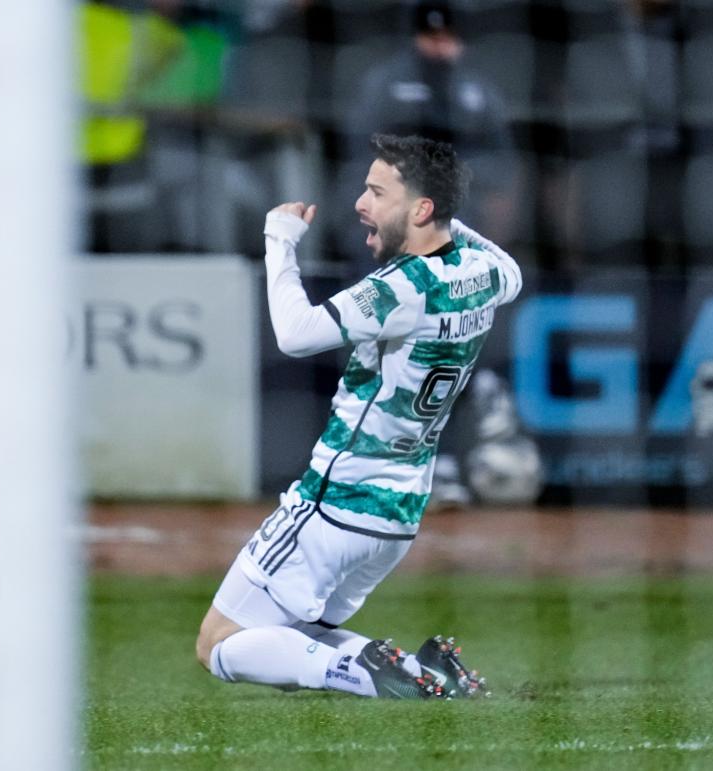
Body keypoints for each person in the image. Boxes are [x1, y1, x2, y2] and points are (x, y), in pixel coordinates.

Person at [195, 134, 522, 699]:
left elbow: (295, 334)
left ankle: (366, 675)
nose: (360, 204)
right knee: (299, 633)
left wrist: (279, 239)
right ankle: (426, 674)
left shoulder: (402, 288)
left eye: (377, 193)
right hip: (398, 517)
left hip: (335, 503)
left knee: (218, 644)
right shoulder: (483, 276)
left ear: (420, 209)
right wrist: (447, 219)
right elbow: (510, 269)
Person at [336, 2, 517, 277]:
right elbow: (358, 153)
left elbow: (500, 165)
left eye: (447, 37)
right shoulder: (385, 85)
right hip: (391, 208)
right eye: (431, 37)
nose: (440, 45)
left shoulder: (478, 92)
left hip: (457, 212)